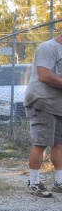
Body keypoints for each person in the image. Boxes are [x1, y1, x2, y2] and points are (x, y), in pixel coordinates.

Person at [24, 33, 62, 197]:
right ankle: (33, 182)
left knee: (59, 144)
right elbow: (44, 75)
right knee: (41, 143)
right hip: (42, 99)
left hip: (57, 104)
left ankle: (59, 182)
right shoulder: (48, 48)